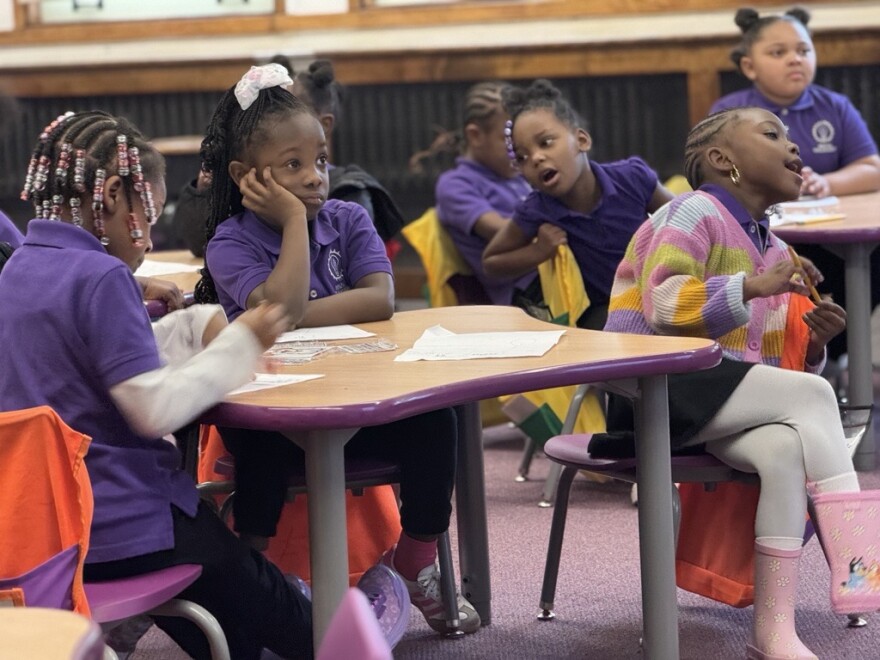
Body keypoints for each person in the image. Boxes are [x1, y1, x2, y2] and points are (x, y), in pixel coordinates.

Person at [0, 110, 314, 659]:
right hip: (125, 524)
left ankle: (127, 631)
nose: (147, 239)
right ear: (116, 194)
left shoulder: (19, 268)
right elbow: (152, 408)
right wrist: (246, 341)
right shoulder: (102, 277)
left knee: (230, 611)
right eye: (146, 212)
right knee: (267, 600)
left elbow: (81, 364)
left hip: (45, 535)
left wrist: (173, 326)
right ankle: (339, 638)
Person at [193, 63, 481, 637]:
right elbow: (280, 305)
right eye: (292, 165)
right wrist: (295, 225)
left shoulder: (349, 219)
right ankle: (258, 575)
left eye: (320, 160)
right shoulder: (229, 241)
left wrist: (290, 317)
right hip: (274, 414)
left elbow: (378, 299)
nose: (314, 177)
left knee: (437, 425)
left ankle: (416, 558)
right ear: (245, 176)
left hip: (353, 402)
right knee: (259, 454)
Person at [603, 106, 880, 659]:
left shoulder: (777, 249)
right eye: (773, 135)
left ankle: (773, 633)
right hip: (654, 388)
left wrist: (816, 347)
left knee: (783, 449)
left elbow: (774, 376)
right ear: (721, 159)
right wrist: (752, 287)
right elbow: (663, 305)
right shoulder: (689, 212)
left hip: (715, 400)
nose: (794, 147)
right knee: (817, 397)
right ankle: (861, 564)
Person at [710, 6, 880, 359]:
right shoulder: (731, 113)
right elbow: (715, 178)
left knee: (867, 264)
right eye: (778, 52)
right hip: (766, 239)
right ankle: (785, 350)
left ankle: (835, 353)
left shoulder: (834, 106)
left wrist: (828, 183)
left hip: (829, 237)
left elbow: (871, 167)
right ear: (749, 67)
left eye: (803, 51)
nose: (794, 60)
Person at [482, 78, 674, 330]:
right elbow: (492, 262)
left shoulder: (632, 178)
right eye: (522, 157)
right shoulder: (538, 209)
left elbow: (686, 217)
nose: (536, 158)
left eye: (546, 142)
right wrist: (538, 251)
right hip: (600, 310)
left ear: (581, 141)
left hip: (658, 291)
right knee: (628, 333)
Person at [172, 57, 403, 259]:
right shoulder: (245, 208)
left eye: (291, 108)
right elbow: (200, 244)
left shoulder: (349, 198)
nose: (280, 117)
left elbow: (373, 293)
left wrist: (293, 218)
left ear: (323, 124)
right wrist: (208, 191)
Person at [430, 81, 535, 305]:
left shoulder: (518, 174)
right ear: (475, 135)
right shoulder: (456, 185)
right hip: (524, 299)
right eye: (509, 139)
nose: (520, 148)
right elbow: (501, 230)